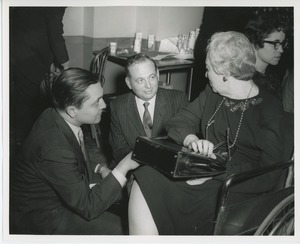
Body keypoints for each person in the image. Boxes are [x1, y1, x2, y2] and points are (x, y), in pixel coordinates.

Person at [128, 31, 290, 235]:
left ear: (224, 71)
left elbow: (271, 174)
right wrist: (191, 139)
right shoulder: (213, 94)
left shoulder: (270, 109)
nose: (205, 75)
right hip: (205, 172)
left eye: (207, 69)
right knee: (146, 176)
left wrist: (215, 171)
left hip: (238, 188)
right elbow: (178, 123)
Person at [11, 68, 139, 234]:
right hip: (45, 217)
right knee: (126, 231)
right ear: (72, 111)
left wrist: (99, 168)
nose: (104, 105)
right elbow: (89, 207)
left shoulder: (54, 113)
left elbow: (74, 152)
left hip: (58, 197)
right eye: (96, 102)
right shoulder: (54, 148)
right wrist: (124, 166)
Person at [109, 53, 189, 164]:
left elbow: (184, 145)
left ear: (158, 74)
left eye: (151, 77)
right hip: (134, 165)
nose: (148, 86)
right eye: (140, 80)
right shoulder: (118, 106)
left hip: (170, 164)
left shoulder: (178, 99)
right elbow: (119, 149)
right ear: (129, 83)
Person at [10, 7, 70, 147]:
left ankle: (26, 140)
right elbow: (55, 34)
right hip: (28, 57)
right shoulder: (54, 4)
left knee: (24, 98)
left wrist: (53, 62)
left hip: (16, 52)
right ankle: (27, 143)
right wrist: (65, 64)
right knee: (27, 100)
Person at [244, 9, 290, 96]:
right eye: (275, 43)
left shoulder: (273, 78)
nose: (281, 50)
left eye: (282, 43)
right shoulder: (243, 79)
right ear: (255, 43)